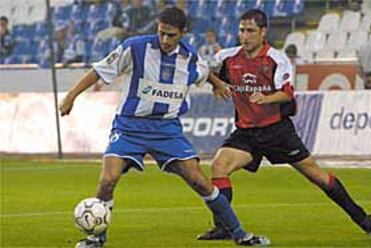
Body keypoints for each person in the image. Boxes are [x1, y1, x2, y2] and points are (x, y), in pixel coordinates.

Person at [59, 7, 269, 248]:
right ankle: (96, 239)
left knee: (200, 181)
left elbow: (203, 71)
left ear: (183, 33)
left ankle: (240, 234)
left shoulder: (189, 57)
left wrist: (216, 83)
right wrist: (71, 97)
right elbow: (99, 70)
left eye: (171, 35)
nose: (165, 40)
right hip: (130, 126)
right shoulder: (135, 47)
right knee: (108, 179)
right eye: (161, 34)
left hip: (167, 130)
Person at [197, 9, 371, 241]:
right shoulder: (229, 57)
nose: (245, 36)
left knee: (317, 177)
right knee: (218, 166)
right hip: (246, 132)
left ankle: (363, 218)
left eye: (251, 31)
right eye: (242, 30)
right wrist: (216, 83)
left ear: (263, 32)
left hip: (277, 131)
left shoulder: (276, 59)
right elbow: (202, 69)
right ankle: (224, 227)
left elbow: (287, 93)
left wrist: (267, 98)